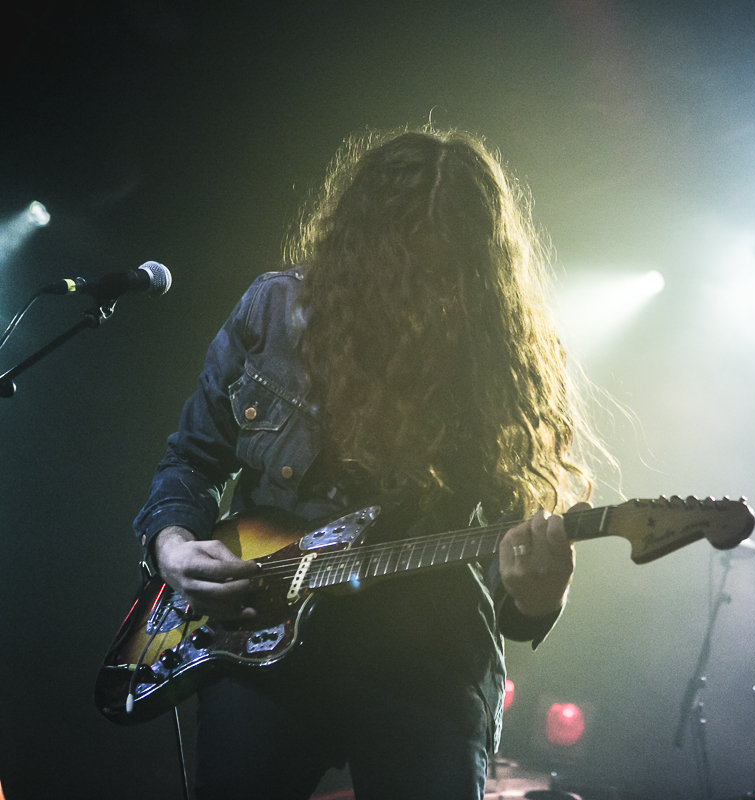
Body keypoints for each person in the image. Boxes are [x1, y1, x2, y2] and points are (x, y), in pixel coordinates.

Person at [133, 128, 598, 800]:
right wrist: (173, 544)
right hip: (260, 645)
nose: (422, 291)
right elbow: (189, 460)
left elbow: (506, 549)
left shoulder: (492, 356)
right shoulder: (273, 309)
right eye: (403, 263)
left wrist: (537, 595)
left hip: (425, 656)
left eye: (445, 270)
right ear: (359, 248)